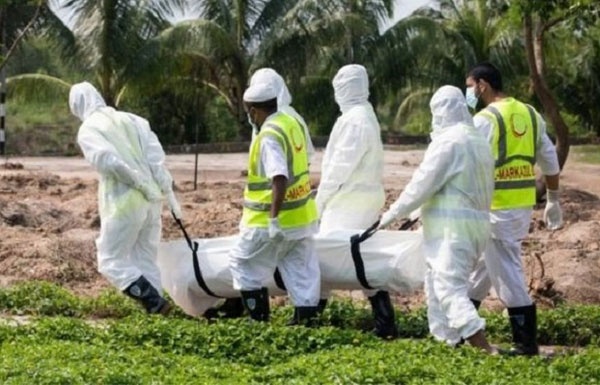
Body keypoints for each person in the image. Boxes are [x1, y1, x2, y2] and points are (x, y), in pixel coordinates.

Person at [379, 85, 497, 354]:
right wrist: (415, 213)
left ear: (441, 112)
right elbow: (455, 185)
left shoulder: (449, 142)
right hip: (473, 227)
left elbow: (422, 183)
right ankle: (446, 344)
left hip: (452, 232)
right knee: (435, 286)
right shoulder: (477, 140)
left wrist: (390, 215)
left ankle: (484, 348)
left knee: (449, 289)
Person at [464, 62, 563, 356]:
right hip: (520, 207)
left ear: (482, 85)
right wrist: (554, 198)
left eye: (469, 86)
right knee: (484, 269)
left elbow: (467, 163)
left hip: (496, 210)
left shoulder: (485, 119)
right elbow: (549, 160)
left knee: (506, 273)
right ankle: (460, 327)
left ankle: (525, 343)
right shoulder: (530, 114)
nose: (468, 92)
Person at [205, 67, 316, 320]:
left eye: (249, 113)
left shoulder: (268, 134)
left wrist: (274, 219)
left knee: (242, 263)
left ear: (255, 110)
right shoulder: (292, 123)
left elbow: (279, 177)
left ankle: (259, 325)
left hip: (270, 219)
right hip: (302, 217)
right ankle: (305, 323)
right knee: (300, 272)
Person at [69, 81, 182, 315]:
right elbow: (157, 162)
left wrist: (138, 184)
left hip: (124, 203)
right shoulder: (135, 121)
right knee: (146, 259)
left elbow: (108, 161)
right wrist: (169, 197)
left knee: (109, 259)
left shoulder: (89, 129)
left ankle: (153, 302)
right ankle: (159, 313)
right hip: (153, 202)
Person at [315, 64, 398, 339]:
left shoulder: (355, 120)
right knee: (361, 259)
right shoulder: (364, 115)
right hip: (362, 198)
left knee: (325, 256)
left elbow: (340, 167)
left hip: (347, 201)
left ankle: (311, 315)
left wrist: (320, 199)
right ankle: (384, 321)